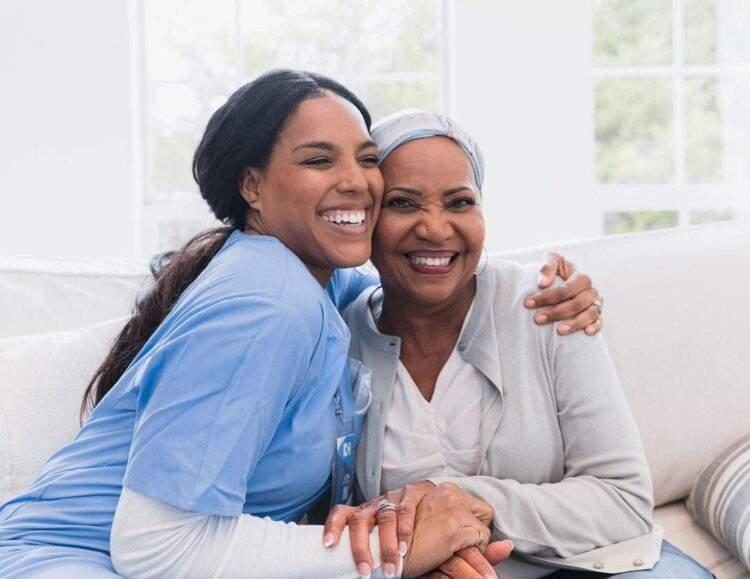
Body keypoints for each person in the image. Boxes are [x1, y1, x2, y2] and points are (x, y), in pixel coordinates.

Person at [0, 71, 600, 578]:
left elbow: (415, 285)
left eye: (367, 160)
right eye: (318, 160)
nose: (356, 182)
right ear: (251, 185)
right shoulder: (267, 303)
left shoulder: (308, 276)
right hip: (71, 562)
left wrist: (533, 292)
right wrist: (404, 553)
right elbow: (156, 546)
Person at [325, 110, 714, 579]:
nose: (434, 227)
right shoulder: (338, 339)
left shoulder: (546, 305)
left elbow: (623, 501)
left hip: (597, 564)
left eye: (459, 202)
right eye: (403, 203)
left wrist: (462, 501)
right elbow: (336, 516)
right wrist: (425, 555)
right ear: (367, 217)